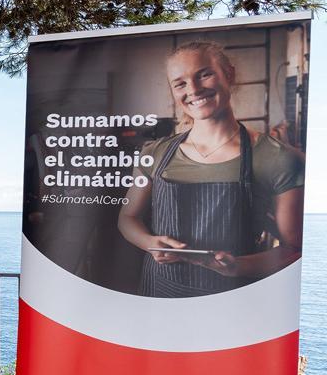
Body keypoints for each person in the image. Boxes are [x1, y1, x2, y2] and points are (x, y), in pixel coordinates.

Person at [118, 40, 304, 298]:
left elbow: (294, 248)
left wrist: (238, 266)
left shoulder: (279, 159)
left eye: (204, 74)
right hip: (160, 293)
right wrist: (150, 244)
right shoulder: (155, 153)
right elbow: (127, 218)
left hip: (232, 299)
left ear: (229, 74)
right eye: (180, 83)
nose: (193, 90)